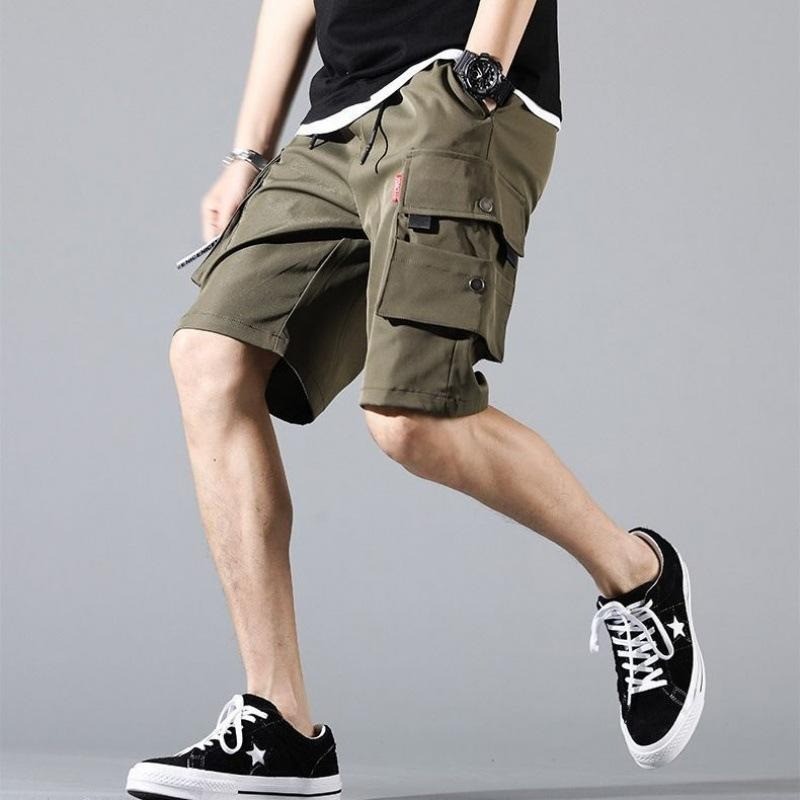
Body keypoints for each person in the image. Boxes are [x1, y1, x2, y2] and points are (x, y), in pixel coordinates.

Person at [126, 1, 705, 797]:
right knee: (208, 358)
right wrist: (248, 155)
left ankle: (638, 575)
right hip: (336, 123)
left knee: (412, 420)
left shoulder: (467, 83)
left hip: (452, 87)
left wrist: (480, 72)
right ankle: (280, 724)